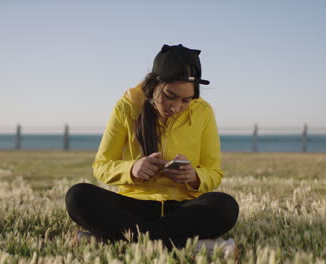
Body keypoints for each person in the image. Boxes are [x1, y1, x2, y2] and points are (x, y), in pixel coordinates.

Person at [65, 44, 239, 254]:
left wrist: (194, 176)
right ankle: (196, 248)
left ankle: (112, 241)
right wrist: (132, 169)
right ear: (154, 84)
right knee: (77, 196)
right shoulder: (126, 107)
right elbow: (101, 166)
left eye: (186, 100)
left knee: (226, 206)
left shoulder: (204, 112)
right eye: (169, 96)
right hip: (133, 206)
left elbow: (214, 172)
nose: (176, 107)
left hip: (182, 209)